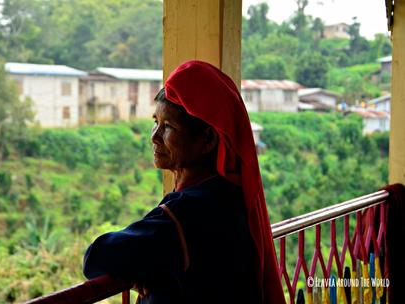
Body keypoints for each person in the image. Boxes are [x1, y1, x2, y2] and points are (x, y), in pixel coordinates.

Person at [83, 60, 286, 303]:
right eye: (155, 122)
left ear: (207, 140)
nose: (155, 137)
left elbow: (95, 258)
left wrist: (144, 265)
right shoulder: (230, 196)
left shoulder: (187, 213)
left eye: (168, 126)